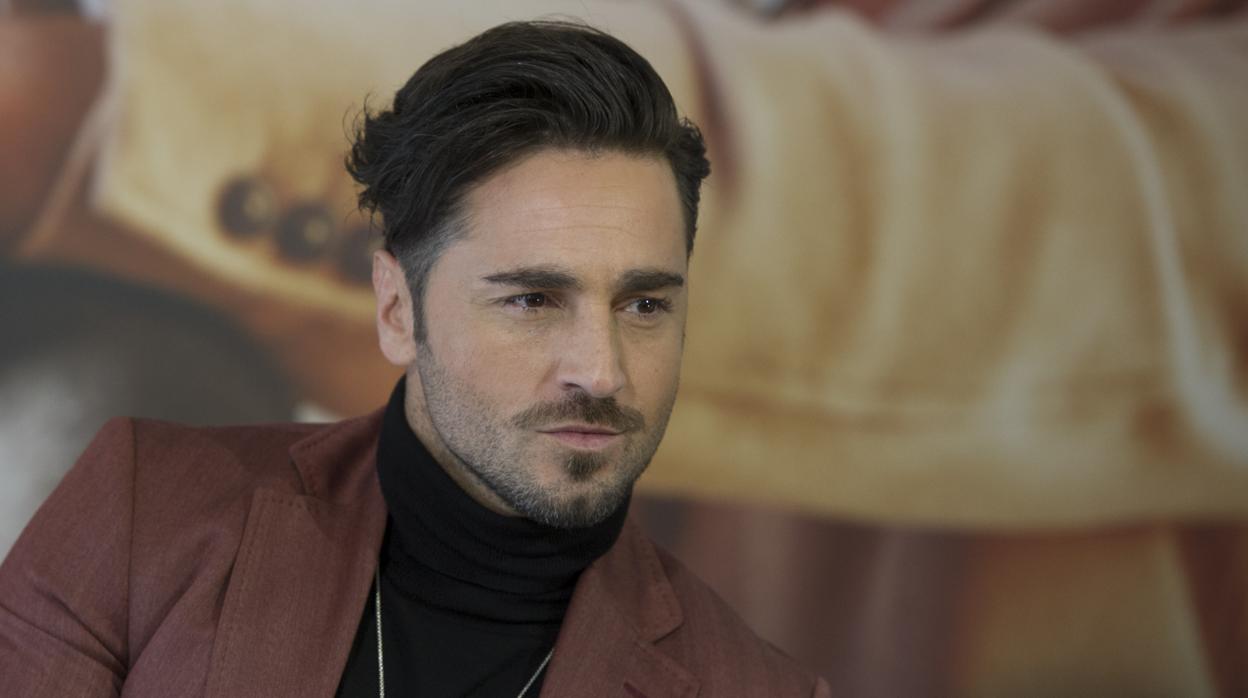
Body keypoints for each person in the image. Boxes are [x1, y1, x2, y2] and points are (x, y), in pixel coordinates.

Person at [0, 20, 829, 697]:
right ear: (397, 309)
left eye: (644, 305)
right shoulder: (143, 511)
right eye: (532, 300)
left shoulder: (757, 690)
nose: (602, 371)